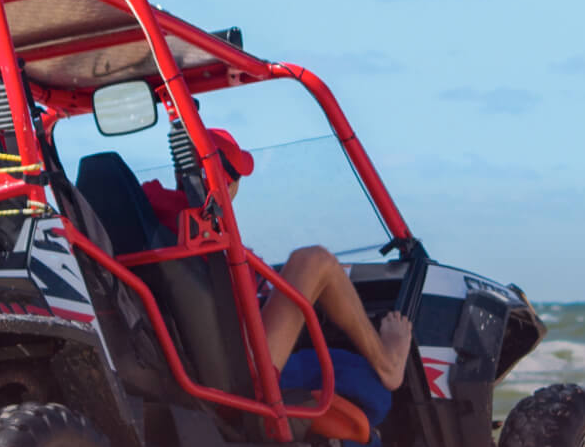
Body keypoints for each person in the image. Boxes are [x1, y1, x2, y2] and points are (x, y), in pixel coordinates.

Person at [142, 128, 413, 392]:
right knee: (314, 261)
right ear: (228, 182)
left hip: (199, 354)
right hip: (243, 368)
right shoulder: (198, 226)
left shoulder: (155, 211)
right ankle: (388, 365)